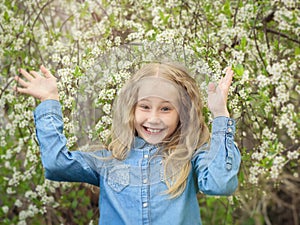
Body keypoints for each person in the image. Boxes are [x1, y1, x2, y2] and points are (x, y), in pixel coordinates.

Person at [14, 62, 241, 225]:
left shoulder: (190, 156)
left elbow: (221, 184)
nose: (153, 118)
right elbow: (56, 164)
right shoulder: (109, 160)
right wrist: (49, 101)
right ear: (130, 108)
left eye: (165, 108)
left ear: (181, 113)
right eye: (144, 107)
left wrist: (220, 114)